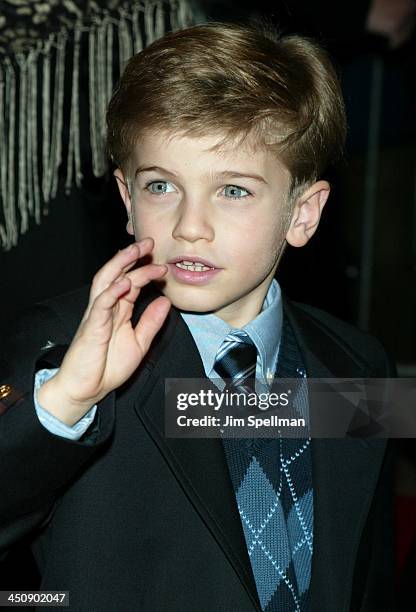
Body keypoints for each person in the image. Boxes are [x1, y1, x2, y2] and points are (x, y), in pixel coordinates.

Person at [0, 22, 395, 612]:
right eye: (161, 185)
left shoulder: (358, 364)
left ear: (303, 212)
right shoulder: (60, 351)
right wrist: (62, 406)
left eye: (234, 191)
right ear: (128, 201)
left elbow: (363, 566)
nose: (190, 225)